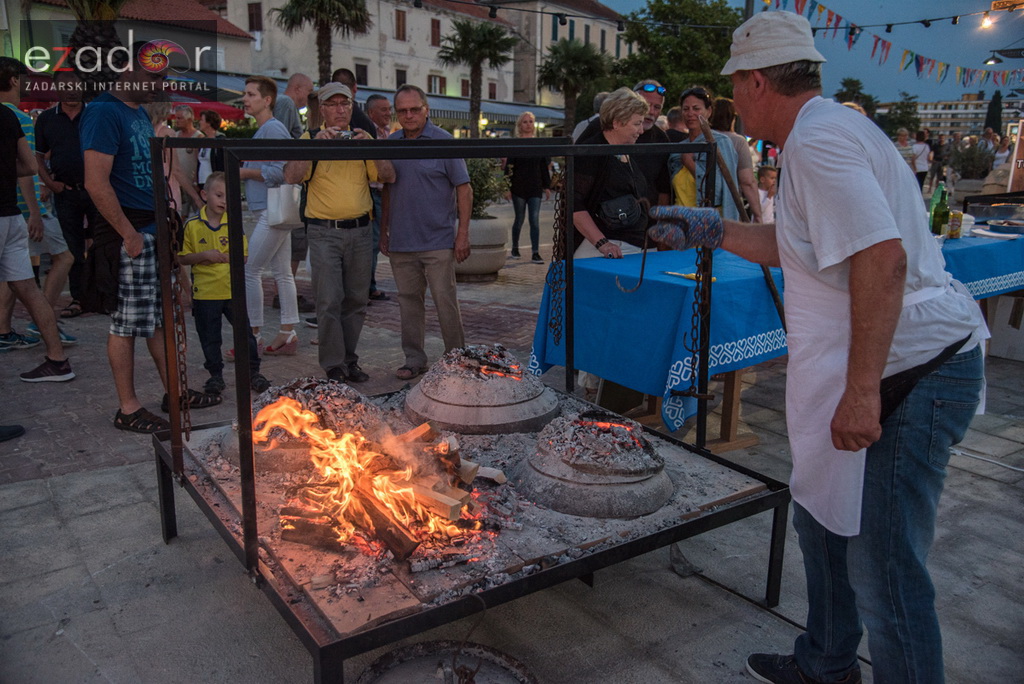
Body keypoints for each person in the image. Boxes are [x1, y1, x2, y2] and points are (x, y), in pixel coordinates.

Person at [650, 12, 986, 683]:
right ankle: (826, 665)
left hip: (910, 373)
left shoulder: (820, 141)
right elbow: (804, 250)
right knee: (821, 525)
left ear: (755, 82)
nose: (728, 103)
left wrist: (862, 393)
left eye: (732, 88)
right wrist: (712, 229)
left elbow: (882, 259)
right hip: (883, 369)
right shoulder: (821, 133)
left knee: (885, 572)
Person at [283, 83, 395, 383]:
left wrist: (372, 147)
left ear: (352, 106)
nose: (339, 110)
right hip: (323, 232)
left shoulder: (363, 138)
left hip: (360, 230)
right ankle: (334, 363)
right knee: (329, 300)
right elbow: (291, 176)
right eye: (332, 104)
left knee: (356, 301)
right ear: (322, 109)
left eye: (344, 103)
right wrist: (314, 145)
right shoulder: (309, 138)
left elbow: (387, 176)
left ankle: (350, 359)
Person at [380, 84, 471, 380]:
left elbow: (464, 188)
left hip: (438, 241)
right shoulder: (392, 143)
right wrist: (384, 232)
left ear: (426, 110)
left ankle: (456, 358)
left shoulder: (444, 141)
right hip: (402, 241)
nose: (408, 115)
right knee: (408, 303)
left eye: (414, 109)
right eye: (402, 110)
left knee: (445, 301)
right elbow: (387, 192)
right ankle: (414, 359)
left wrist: (462, 234)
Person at [0, 57, 74, 383]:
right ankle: (57, 361)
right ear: (13, 81)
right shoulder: (10, 117)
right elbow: (30, 166)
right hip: (11, 216)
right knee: (29, 289)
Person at [178, 172, 270, 395]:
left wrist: (228, 256)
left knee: (245, 334)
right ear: (204, 194)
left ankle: (252, 372)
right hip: (205, 294)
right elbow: (181, 258)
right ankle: (215, 376)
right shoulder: (191, 225)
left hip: (233, 291)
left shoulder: (234, 223)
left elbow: (244, 256)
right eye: (219, 195)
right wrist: (204, 255)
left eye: (229, 197)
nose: (223, 201)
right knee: (210, 336)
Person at [238, 75, 299, 356]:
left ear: (267, 100)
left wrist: (244, 172)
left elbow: (281, 171)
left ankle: (253, 335)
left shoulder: (272, 129)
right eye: (245, 94)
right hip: (272, 208)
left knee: (251, 271)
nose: (245, 99)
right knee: (282, 272)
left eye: (250, 94)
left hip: (271, 208)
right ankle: (288, 331)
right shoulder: (266, 129)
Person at [34, 67, 97, 319]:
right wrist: (49, 183)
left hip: (97, 191)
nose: (72, 92)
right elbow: (37, 155)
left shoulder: (95, 115)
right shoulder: (48, 119)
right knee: (72, 249)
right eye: (66, 87)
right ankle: (79, 299)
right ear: (57, 89)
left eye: (76, 86)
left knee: (102, 243)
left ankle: (103, 297)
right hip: (66, 193)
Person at [572, 87, 650, 259]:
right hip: (607, 251)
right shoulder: (591, 153)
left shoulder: (625, 151)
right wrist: (602, 243)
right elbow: (573, 204)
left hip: (629, 247)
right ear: (616, 122)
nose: (641, 130)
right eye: (637, 124)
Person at [577, 79, 671, 209]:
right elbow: (575, 189)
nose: (651, 111)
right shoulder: (600, 127)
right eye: (646, 104)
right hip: (600, 221)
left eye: (657, 107)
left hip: (645, 221)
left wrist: (660, 221)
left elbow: (663, 187)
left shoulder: (661, 138)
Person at [668, 87, 746, 221]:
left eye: (696, 108)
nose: (690, 113)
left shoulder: (721, 143)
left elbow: (723, 192)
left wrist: (691, 164)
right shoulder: (678, 149)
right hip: (679, 226)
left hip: (706, 225)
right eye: (686, 109)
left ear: (708, 111)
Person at [503, 111, 550, 262]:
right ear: (519, 125)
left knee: (534, 220)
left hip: (535, 187)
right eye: (525, 122)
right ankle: (515, 248)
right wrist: (506, 187)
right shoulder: (516, 144)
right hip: (519, 187)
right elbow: (509, 168)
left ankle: (535, 252)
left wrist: (547, 186)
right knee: (519, 219)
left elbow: (544, 166)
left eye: (530, 121)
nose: (528, 124)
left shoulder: (539, 144)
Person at [709, 96, 763, 221]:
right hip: (727, 207)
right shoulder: (737, 141)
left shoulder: (701, 138)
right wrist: (758, 214)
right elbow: (747, 181)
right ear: (732, 118)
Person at [365, 93, 394, 301]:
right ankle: (368, 287)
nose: (388, 113)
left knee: (377, 240)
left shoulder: (386, 133)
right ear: (371, 113)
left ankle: (368, 285)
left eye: (389, 109)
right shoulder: (368, 133)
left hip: (384, 192)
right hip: (372, 192)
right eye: (383, 110)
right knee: (373, 241)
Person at [172, 105, 203, 216]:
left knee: (199, 213)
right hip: (179, 184)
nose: (177, 121)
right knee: (181, 215)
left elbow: (200, 162)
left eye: (180, 118)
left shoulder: (198, 137)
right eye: (176, 118)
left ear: (189, 119)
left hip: (193, 184)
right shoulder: (174, 136)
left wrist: (195, 181)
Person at [331, 68, 376, 137]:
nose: (341, 110)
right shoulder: (365, 123)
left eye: (345, 104)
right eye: (332, 104)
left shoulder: (315, 131)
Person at [273, 73, 313, 140]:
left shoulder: (286, 103)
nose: (310, 96)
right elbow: (279, 138)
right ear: (297, 89)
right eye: (309, 91)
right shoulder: (286, 102)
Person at [196, 109, 225, 190]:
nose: (199, 122)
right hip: (202, 182)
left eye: (202, 120)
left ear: (209, 123)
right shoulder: (202, 141)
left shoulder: (220, 140)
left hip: (214, 183)